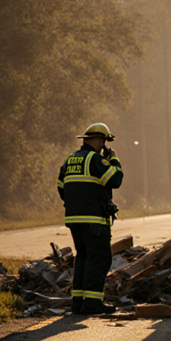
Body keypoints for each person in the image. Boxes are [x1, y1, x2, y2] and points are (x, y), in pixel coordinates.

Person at [57, 123, 124, 315]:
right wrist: (114, 160)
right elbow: (115, 179)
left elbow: (61, 187)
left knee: (84, 258)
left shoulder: (70, 160)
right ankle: (93, 303)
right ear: (100, 141)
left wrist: (77, 203)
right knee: (100, 258)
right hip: (94, 221)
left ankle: (78, 302)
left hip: (74, 219)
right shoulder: (94, 160)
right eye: (104, 142)